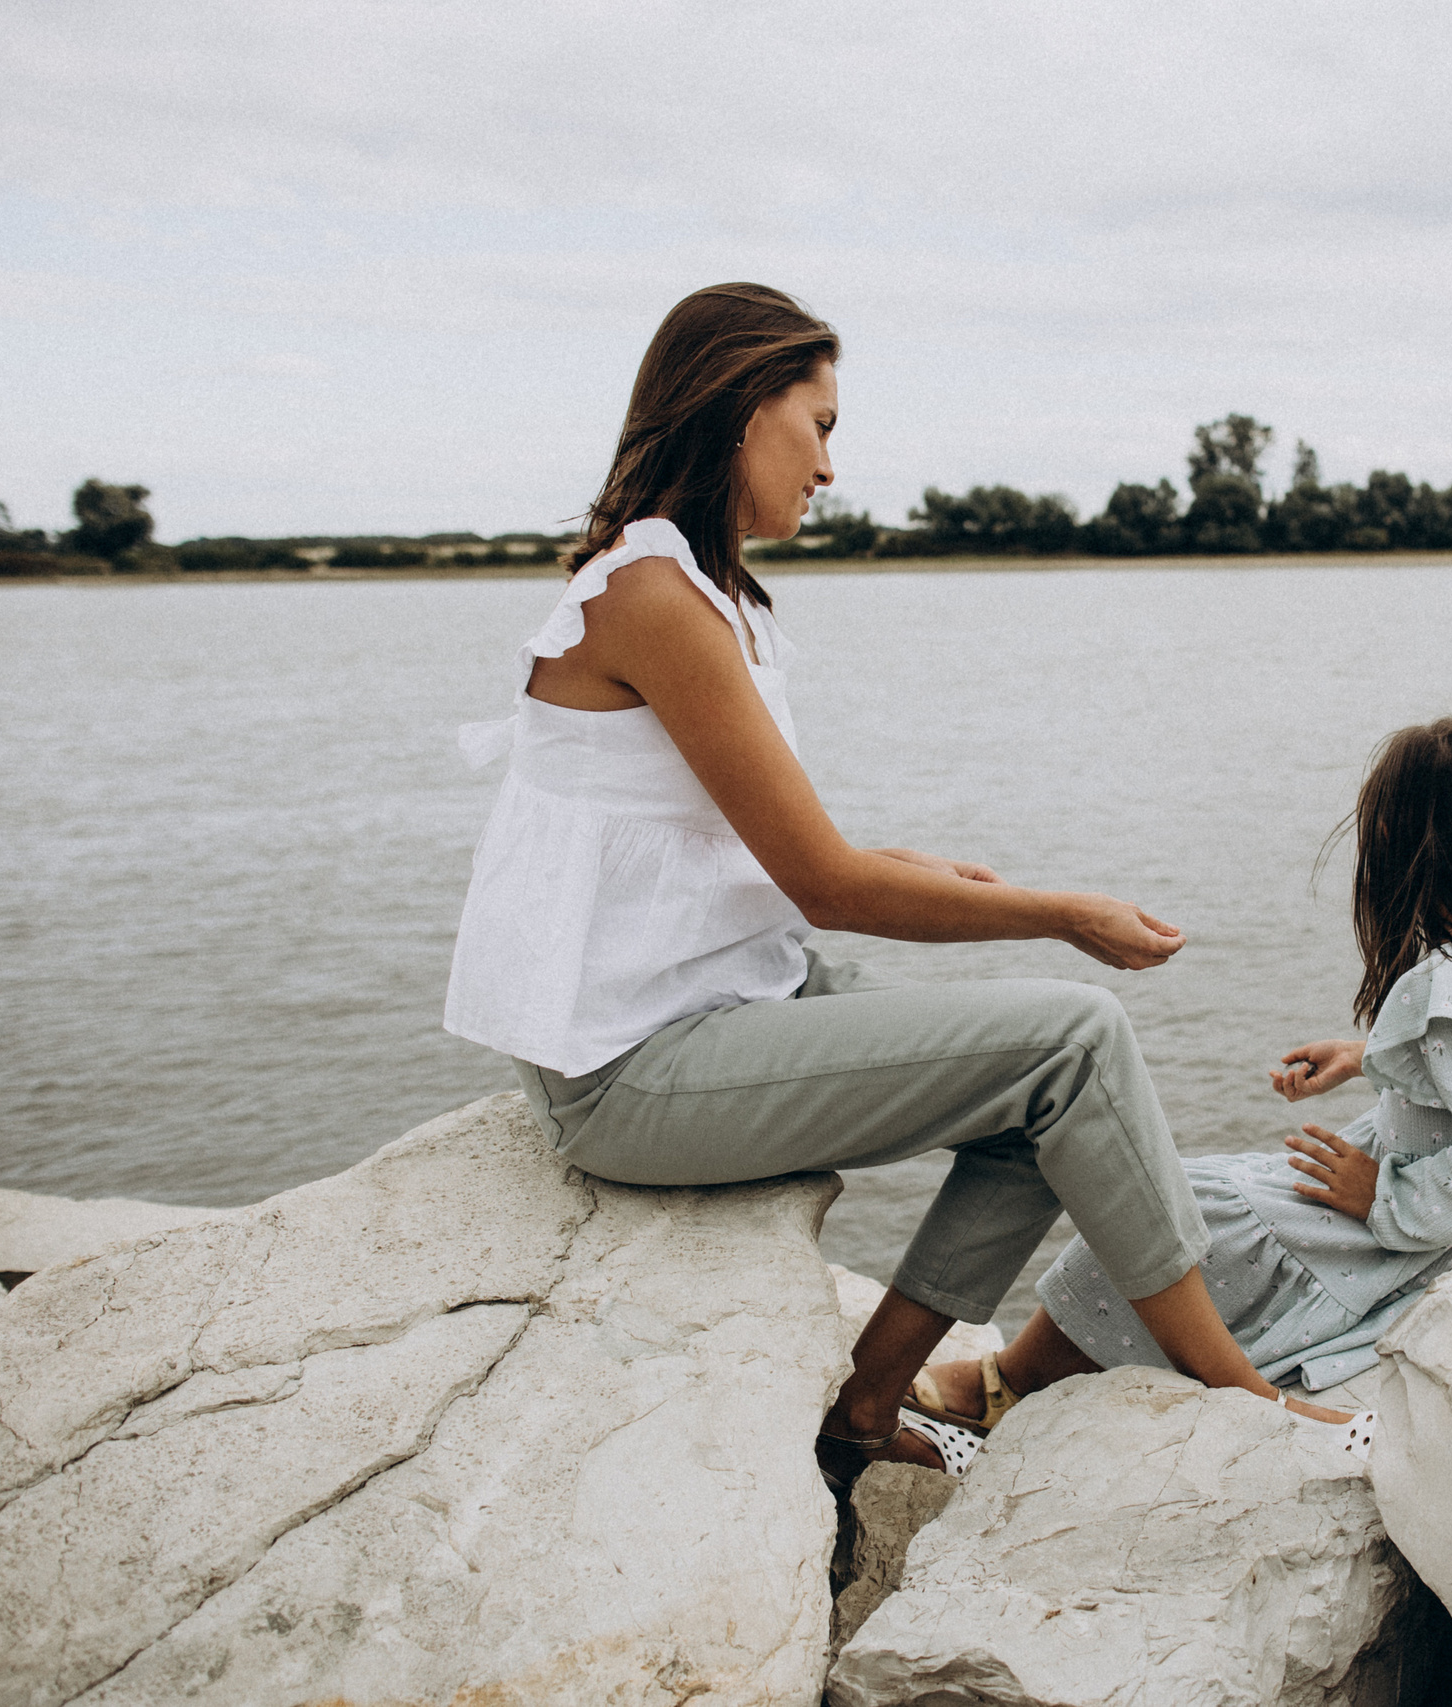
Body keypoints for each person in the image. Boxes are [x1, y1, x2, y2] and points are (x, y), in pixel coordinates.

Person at [443, 282, 1347, 1484]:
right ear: (734, 411)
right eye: (817, 425)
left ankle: (867, 1407)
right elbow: (824, 884)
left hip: (720, 1003)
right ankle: (1235, 1392)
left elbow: (712, 842)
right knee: (1071, 1039)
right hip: (627, 1075)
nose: (828, 466)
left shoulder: (692, 588)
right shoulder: (650, 595)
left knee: (1052, 1099)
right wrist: (1063, 915)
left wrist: (902, 863)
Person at [910, 716, 1452, 1443]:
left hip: (1431, 1229)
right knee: (1208, 1190)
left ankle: (1008, 1381)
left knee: (1178, 1204)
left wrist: (1385, 1195)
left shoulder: (1450, 984)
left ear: (1388, 837)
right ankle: (1024, 1373)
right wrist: (1370, 1055)